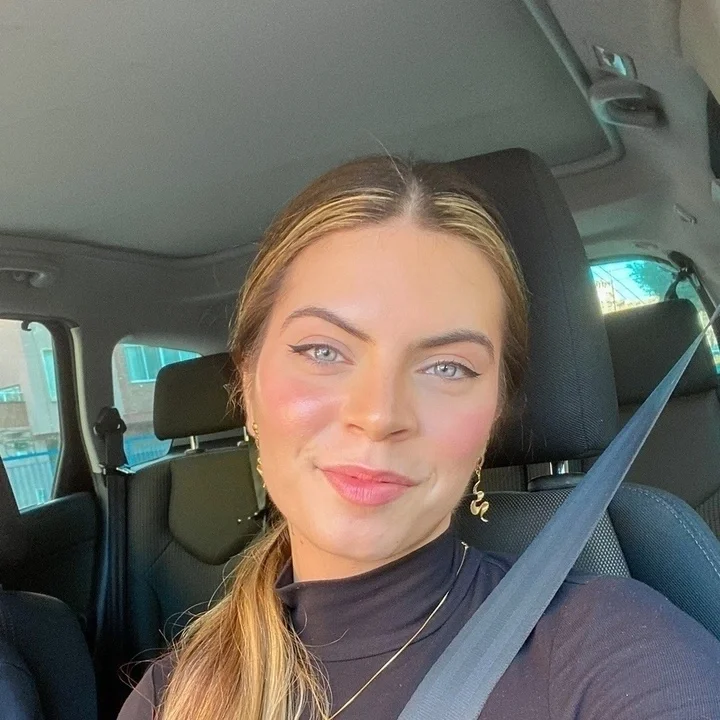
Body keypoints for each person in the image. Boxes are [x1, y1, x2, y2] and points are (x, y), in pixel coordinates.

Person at [118, 156, 720, 720]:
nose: (379, 414)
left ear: (494, 415)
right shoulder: (174, 692)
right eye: (323, 351)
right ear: (248, 385)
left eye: (447, 367)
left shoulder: (610, 647)